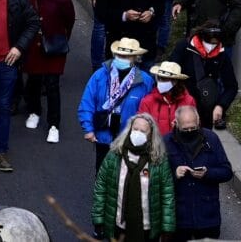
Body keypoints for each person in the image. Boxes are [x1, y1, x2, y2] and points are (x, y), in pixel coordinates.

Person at [91, 111, 175, 242]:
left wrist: (167, 228)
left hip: (147, 229)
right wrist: (98, 219)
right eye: (135, 129)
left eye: (143, 131)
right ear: (129, 129)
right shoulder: (114, 155)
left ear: (151, 135)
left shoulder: (159, 161)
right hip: (118, 226)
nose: (138, 133)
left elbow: (167, 195)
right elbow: (101, 188)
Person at [83, 38, 156, 167]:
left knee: (126, 181)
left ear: (135, 58)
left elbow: (149, 111)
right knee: (102, 179)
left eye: (127, 56)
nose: (122, 58)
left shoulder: (146, 81)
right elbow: (87, 103)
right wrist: (88, 129)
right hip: (103, 137)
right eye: (120, 55)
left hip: (131, 141)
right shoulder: (100, 75)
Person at [167, 100, 231, 240]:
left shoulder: (211, 138)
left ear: (199, 122)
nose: (190, 131)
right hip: (179, 217)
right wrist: (174, 174)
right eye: (185, 129)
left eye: (193, 128)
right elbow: (156, 179)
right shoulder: (167, 142)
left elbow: (226, 171)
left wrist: (207, 173)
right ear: (176, 123)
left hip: (208, 216)